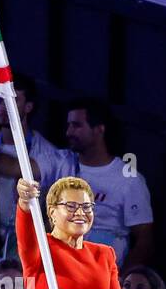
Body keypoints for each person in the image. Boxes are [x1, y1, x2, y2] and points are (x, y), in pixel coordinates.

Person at [59, 98, 155, 268]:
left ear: (99, 129)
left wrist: (122, 279)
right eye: (69, 126)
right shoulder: (61, 162)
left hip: (103, 272)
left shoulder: (128, 179)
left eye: (77, 126)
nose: (69, 132)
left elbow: (144, 237)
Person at [0, 75, 68, 230]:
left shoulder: (47, 153)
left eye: (13, 100)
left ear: (28, 106)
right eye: (0, 101)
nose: (4, 107)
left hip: (28, 238)